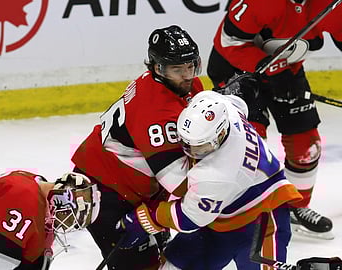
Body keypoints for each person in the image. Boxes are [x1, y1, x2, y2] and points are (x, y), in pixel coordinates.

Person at [117, 90, 303, 269]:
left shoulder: (216, 174)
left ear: (220, 135)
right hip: (218, 214)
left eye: (201, 147)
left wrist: (146, 218)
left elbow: (187, 219)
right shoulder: (221, 106)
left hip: (262, 219)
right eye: (186, 143)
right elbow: (240, 104)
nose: (192, 152)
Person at [70, 25, 204, 269]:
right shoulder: (156, 112)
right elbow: (182, 184)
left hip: (134, 185)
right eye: (177, 68)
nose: (187, 75)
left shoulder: (180, 85)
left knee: (162, 256)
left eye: (190, 65)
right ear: (157, 68)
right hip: (104, 193)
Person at [206, 0, 335, 239]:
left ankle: (294, 207)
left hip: (286, 69)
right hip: (236, 68)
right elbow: (229, 42)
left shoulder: (332, 4)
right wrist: (270, 70)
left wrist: (279, 73)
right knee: (250, 149)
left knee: (308, 146)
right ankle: (246, 215)